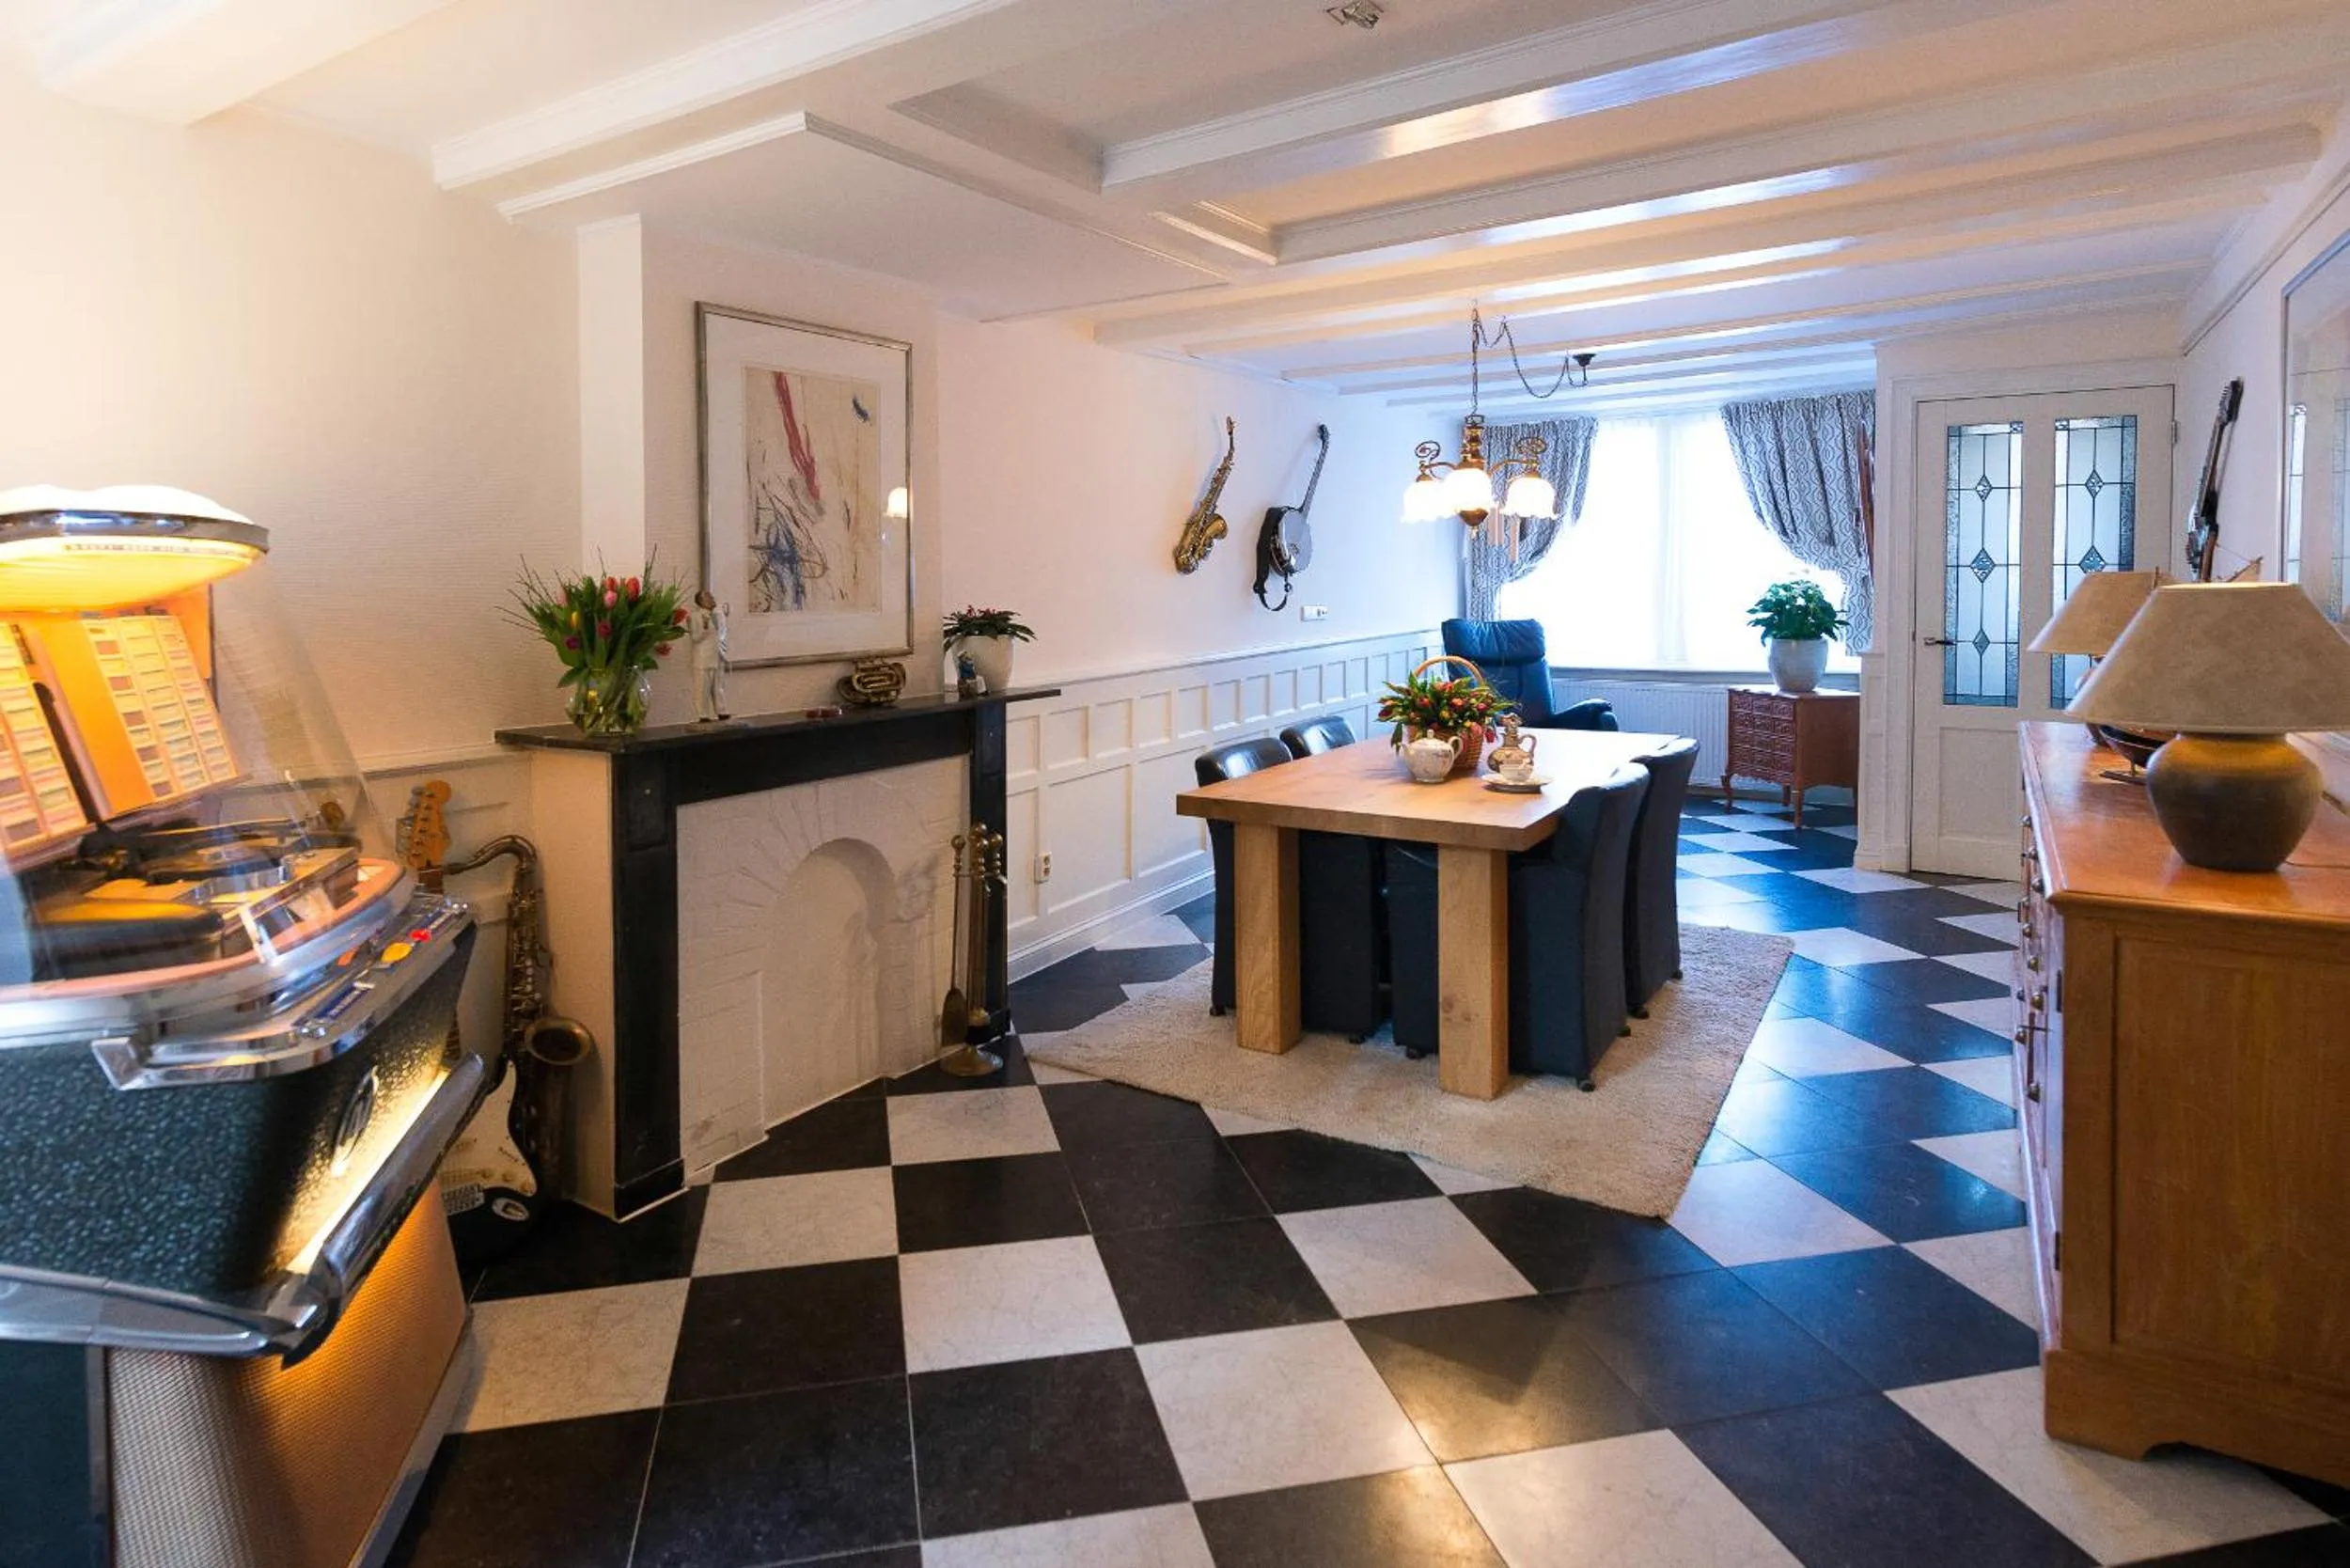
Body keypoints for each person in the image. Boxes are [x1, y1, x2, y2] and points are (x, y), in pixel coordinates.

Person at [687, 589, 729, 721]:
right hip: (703, 657)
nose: (712, 598)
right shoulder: (694, 617)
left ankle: (721, 710)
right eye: (708, 597)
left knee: (718, 686)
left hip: (718, 655)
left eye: (711, 596)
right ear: (701, 601)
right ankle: (703, 714)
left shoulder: (718, 615)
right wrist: (704, 628)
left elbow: (722, 635)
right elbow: (695, 638)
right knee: (702, 688)